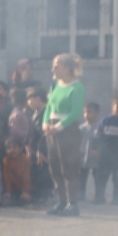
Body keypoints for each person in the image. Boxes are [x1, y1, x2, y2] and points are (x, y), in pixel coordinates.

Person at [42, 53, 86, 216]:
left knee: (69, 167)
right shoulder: (54, 86)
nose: (53, 69)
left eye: (57, 66)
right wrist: (45, 124)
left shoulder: (77, 87)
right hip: (52, 130)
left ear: (67, 68)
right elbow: (48, 108)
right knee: (54, 167)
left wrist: (58, 126)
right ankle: (61, 201)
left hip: (68, 131)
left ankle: (72, 204)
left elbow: (75, 112)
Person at [92, 96, 118, 204]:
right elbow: (97, 136)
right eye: (117, 106)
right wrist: (95, 149)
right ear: (112, 106)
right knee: (101, 177)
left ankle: (116, 199)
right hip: (105, 154)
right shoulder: (105, 121)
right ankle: (99, 197)